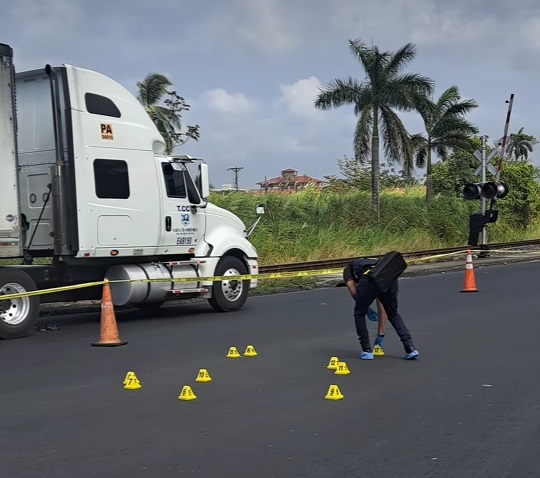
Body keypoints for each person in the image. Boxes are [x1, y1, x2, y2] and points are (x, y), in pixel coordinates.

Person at [343, 256, 419, 360]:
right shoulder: (377, 262)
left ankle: (366, 350)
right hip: (390, 278)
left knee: (359, 313)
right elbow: (382, 305)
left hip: (369, 279)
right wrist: (380, 334)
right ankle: (410, 348)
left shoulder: (348, 269)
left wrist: (365, 307)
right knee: (393, 313)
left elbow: (353, 291)